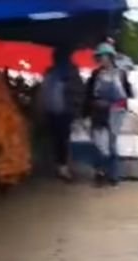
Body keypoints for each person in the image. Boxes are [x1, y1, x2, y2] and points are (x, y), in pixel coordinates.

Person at [85, 42, 132, 186]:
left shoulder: (121, 74)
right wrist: (90, 107)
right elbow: (89, 95)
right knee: (99, 145)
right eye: (99, 57)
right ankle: (99, 172)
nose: (101, 60)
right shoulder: (95, 75)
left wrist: (118, 105)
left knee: (112, 144)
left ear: (111, 57)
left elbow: (128, 94)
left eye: (104, 57)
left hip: (116, 113)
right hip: (99, 113)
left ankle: (113, 175)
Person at [40, 47, 84, 181]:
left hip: (63, 111)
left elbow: (78, 93)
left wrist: (76, 110)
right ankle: (61, 165)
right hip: (55, 111)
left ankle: (63, 166)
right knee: (58, 139)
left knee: (62, 139)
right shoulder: (53, 72)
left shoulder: (69, 74)